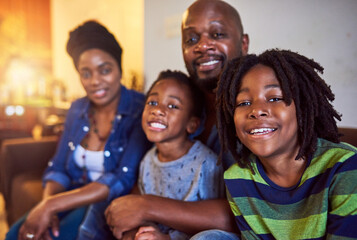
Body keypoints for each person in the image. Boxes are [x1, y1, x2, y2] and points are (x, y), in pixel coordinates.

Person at [105, 0, 249, 239]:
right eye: (191, 39)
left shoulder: (257, 112)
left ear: (243, 43)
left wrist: (147, 206)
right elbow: (144, 177)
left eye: (218, 34)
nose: (203, 45)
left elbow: (249, 211)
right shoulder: (177, 106)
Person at [6, 20, 151, 240]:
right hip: (72, 195)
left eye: (105, 70)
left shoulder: (141, 109)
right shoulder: (77, 108)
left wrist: (50, 206)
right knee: (18, 233)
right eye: (86, 73)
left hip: (107, 202)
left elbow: (121, 178)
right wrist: (48, 205)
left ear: (119, 69)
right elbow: (59, 167)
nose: (95, 81)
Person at [216, 49, 357, 239]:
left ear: (303, 107)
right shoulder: (238, 179)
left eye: (274, 98)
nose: (257, 111)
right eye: (243, 103)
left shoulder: (345, 167)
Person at [125, 70, 224, 240]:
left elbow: (212, 229)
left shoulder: (206, 164)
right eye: (152, 102)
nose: (158, 110)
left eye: (172, 106)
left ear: (192, 124)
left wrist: (166, 238)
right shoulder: (148, 160)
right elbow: (144, 214)